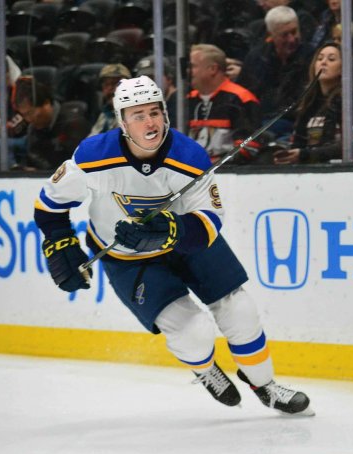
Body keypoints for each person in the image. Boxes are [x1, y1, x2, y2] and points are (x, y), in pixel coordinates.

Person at [33, 75, 312, 415]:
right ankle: (205, 369)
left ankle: (265, 385)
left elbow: (210, 220)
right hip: (128, 259)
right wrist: (61, 243)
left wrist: (169, 231)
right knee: (193, 332)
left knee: (240, 311)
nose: (150, 122)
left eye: (155, 112)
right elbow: (49, 205)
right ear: (123, 122)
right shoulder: (93, 156)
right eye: (138, 115)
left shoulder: (189, 156)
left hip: (186, 243)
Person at [273, 42, 353, 164]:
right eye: (319, 59)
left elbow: (351, 145)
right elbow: (299, 142)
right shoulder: (308, 102)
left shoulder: (351, 101)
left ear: (343, 68)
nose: (323, 62)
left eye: (331, 59)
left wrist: (306, 155)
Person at [237, 6, 314, 138]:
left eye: (294, 32)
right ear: (271, 35)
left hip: (295, 123)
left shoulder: (311, 56)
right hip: (259, 123)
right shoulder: (256, 58)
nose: (291, 39)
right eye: (284, 35)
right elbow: (243, 94)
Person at [188, 44, 264, 164]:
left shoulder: (241, 99)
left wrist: (215, 163)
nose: (188, 71)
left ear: (212, 69)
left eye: (192, 66)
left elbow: (249, 146)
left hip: (227, 175)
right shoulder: (188, 100)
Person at [13, 78, 90, 171]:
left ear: (46, 103)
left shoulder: (73, 123)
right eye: (24, 115)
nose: (28, 119)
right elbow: (34, 158)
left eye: (31, 112)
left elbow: (77, 164)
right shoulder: (32, 128)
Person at [0, 54, 28, 169]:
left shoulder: (23, 87)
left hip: (27, 136)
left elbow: (24, 121)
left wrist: (2, 128)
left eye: (2, 72)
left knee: (0, 145)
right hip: (8, 135)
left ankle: (14, 172)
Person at [89, 64, 132, 136]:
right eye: (106, 84)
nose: (110, 88)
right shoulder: (105, 114)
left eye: (115, 83)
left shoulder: (134, 115)